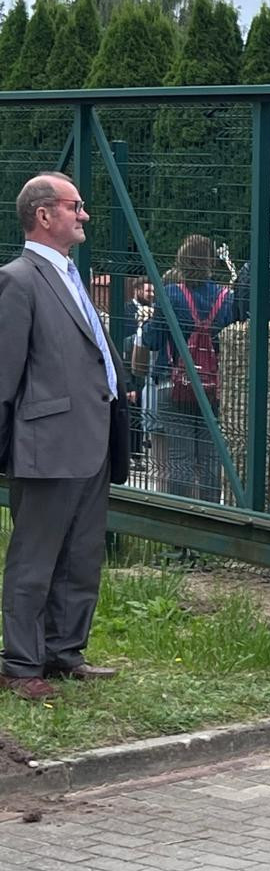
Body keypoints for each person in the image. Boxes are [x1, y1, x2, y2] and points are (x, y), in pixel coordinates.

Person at [0, 172, 129, 700]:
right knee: (35, 558)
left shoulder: (72, 276)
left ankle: (63, 651)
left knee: (80, 555)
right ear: (45, 215)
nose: (84, 215)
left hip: (91, 438)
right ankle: (20, 663)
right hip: (46, 445)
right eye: (74, 206)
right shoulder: (18, 279)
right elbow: (5, 373)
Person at [130, 234, 235, 502]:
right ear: (211, 261)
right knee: (212, 458)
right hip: (212, 385)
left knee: (180, 458)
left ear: (181, 260)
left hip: (172, 383)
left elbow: (153, 340)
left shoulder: (171, 294)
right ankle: (212, 518)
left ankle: (180, 523)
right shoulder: (226, 298)